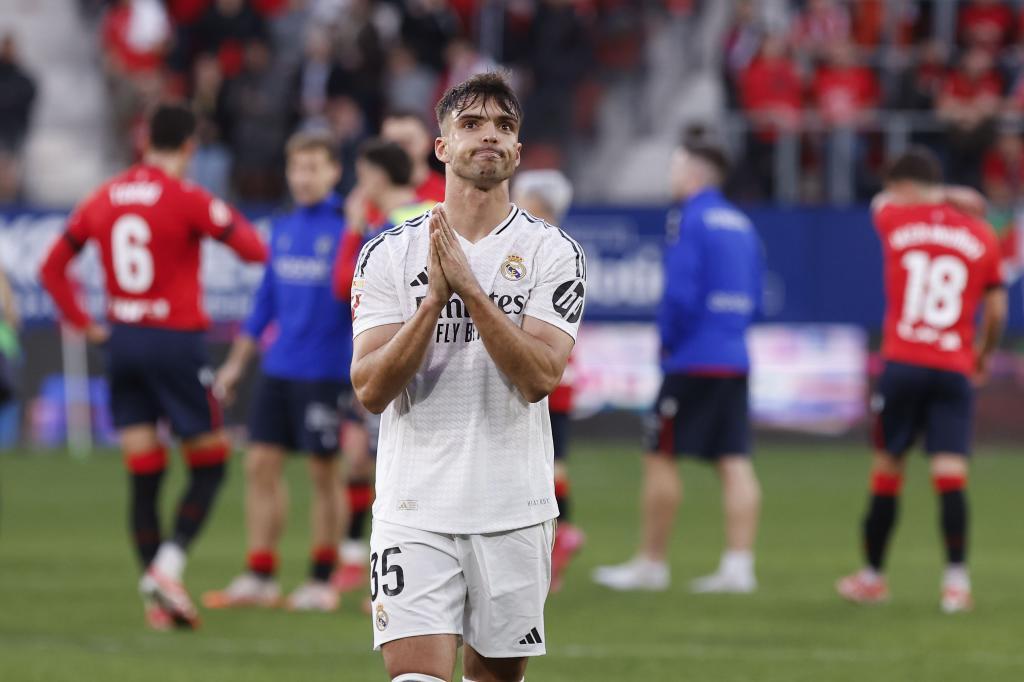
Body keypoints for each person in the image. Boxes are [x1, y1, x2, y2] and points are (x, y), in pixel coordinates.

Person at [351, 72, 586, 682]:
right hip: (413, 508)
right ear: (442, 147)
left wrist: (472, 293)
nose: (490, 136)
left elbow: (540, 377)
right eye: (472, 124)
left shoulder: (553, 253)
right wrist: (432, 303)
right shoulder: (389, 254)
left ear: (517, 149)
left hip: (514, 509)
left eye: (504, 126)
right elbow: (372, 389)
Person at [38, 104, 268, 630]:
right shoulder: (187, 197)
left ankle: (155, 601)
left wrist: (85, 322)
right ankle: (168, 568)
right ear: (189, 146)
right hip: (174, 343)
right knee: (209, 463)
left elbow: (51, 268)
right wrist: (216, 217)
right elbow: (254, 250)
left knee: (144, 474)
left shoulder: (105, 196)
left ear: (144, 142)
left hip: (121, 342)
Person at [836, 148, 1007, 614]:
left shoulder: (895, 220)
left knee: (887, 472)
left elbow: (878, 203)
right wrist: (983, 355)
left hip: (903, 362)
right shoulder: (981, 235)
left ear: (905, 187)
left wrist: (943, 194)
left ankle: (872, 577)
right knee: (950, 475)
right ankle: (956, 584)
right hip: (953, 366)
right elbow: (995, 309)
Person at [593, 142, 763, 594]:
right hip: (734, 355)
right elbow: (757, 294)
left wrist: (668, 342)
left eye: (676, 167)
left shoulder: (689, 218)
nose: (671, 176)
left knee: (661, 454)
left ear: (693, 175)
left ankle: (651, 563)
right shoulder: (742, 223)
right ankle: (739, 566)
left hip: (693, 358)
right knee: (735, 460)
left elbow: (680, 293)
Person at [201, 131, 352, 613]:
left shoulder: (349, 228)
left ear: (333, 172)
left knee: (323, 472)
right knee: (259, 465)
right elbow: (264, 303)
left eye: (313, 168)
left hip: (325, 371)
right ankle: (261, 574)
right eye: (297, 168)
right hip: (279, 366)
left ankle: (322, 578)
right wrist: (237, 364)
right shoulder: (282, 228)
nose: (303, 177)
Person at [330, 139, 437, 597]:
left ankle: (388, 567)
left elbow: (341, 286)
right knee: (362, 459)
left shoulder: (382, 231)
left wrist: (353, 229)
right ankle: (362, 558)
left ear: (375, 176)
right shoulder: (435, 212)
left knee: (375, 465)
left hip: (388, 359)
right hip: (427, 358)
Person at [511, 169, 584, 592]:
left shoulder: (545, 250)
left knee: (542, 462)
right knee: (551, 460)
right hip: (561, 374)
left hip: (545, 374)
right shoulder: (563, 250)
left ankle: (559, 535)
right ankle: (562, 534)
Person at [380, 109, 446, 204]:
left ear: (428, 142)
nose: (399, 150)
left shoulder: (446, 196)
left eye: (407, 142)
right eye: (391, 145)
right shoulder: (368, 198)